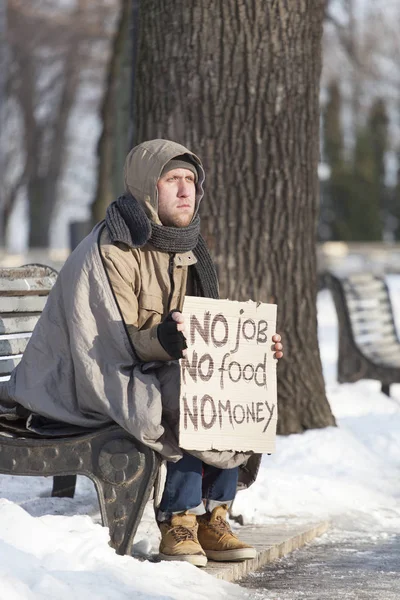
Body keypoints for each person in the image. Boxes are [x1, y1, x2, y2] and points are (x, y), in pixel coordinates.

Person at [0, 139, 283, 567]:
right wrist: (169, 341)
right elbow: (107, 340)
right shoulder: (113, 249)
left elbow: (199, 333)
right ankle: (178, 519)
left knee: (229, 377)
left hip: (138, 365)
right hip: (79, 378)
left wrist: (251, 349)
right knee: (189, 388)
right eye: (173, 180)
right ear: (147, 188)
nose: (186, 190)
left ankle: (214, 514)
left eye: (191, 181)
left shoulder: (186, 249)